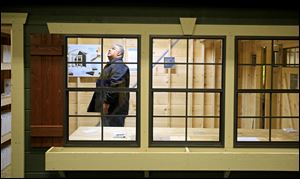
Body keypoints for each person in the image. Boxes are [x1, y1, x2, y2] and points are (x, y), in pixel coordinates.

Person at [88, 44, 130, 127]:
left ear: (119, 54)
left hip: (114, 108)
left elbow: (114, 87)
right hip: (110, 107)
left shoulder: (119, 66)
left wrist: (106, 103)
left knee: (113, 135)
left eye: (113, 49)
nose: (109, 50)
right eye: (110, 48)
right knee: (108, 134)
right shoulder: (111, 66)